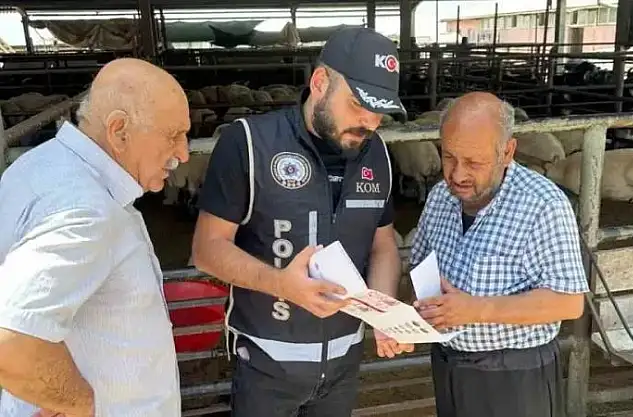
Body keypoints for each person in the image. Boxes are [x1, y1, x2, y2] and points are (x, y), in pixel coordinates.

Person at [191, 27, 413, 417]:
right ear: (320, 82)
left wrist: (384, 315)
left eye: (380, 110)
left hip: (344, 363)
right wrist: (281, 284)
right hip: (266, 362)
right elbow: (207, 249)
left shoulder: (377, 154)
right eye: (357, 104)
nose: (370, 121)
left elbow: (382, 245)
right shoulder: (249, 142)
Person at [0, 58, 191, 416]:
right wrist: (79, 405)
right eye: (173, 135)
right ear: (119, 131)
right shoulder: (85, 210)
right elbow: (11, 337)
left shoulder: (39, 166)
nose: (183, 152)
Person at [411, 92, 590, 417]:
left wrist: (476, 309)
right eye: (449, 157)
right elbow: (419, 268)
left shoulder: (543, 205)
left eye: (474, 163)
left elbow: (568, 302)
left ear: (507, 152)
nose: (457, 174)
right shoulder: (439, 197)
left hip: (513, 376)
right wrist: (409, 319)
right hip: (449, 364)